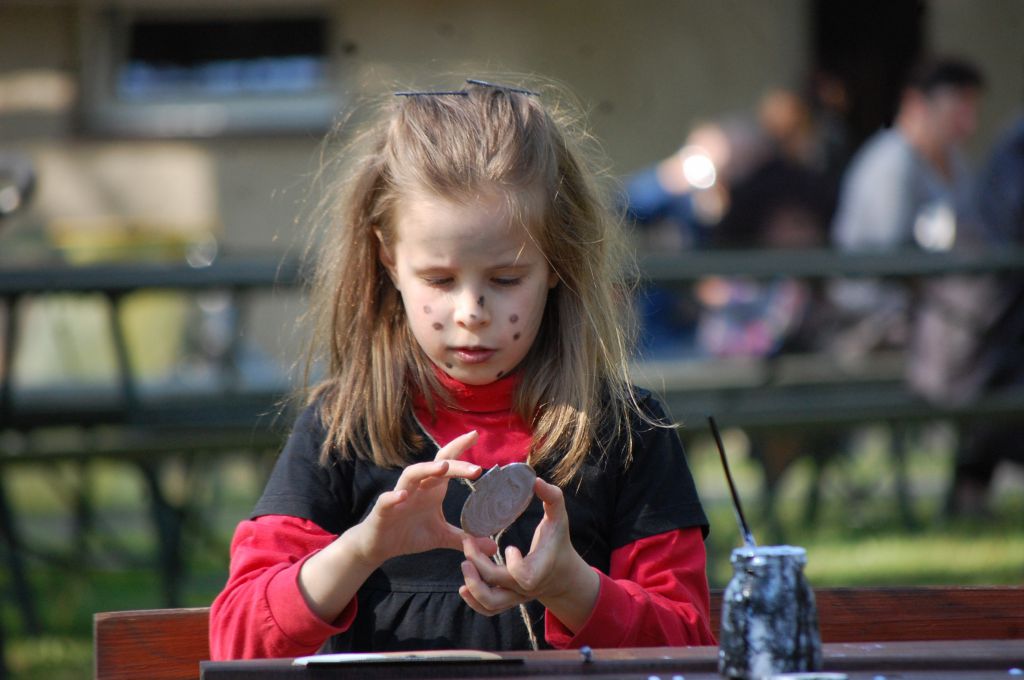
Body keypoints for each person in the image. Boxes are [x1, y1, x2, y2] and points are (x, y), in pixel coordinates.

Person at [209, 79, 715, 659]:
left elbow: (688, 647)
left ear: (558, 262)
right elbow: (237, 639)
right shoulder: (343, 428)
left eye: (505, 279)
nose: (471, 312)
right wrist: (361, 549)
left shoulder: (628, 434)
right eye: (440, 279)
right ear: (388, 260)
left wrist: (570, 586)